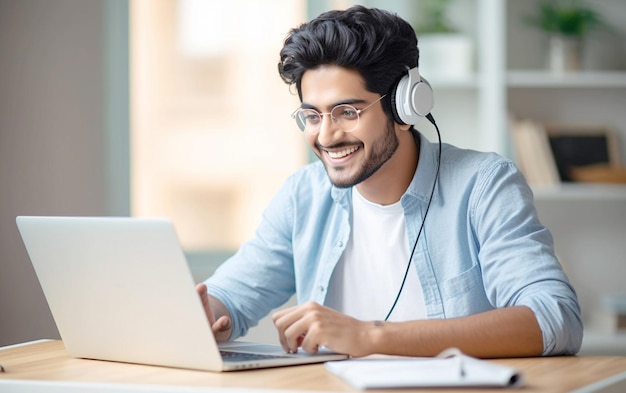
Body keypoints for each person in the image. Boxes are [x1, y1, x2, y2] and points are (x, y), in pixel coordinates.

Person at [196, 5, 582, 358]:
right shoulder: (304, 195)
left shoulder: (482, 187)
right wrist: (205, 314)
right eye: (313, 116)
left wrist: (372, 336)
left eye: (346, 112)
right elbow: (231, 295)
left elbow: (554, 317)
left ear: (404, 105)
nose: (326, 136)